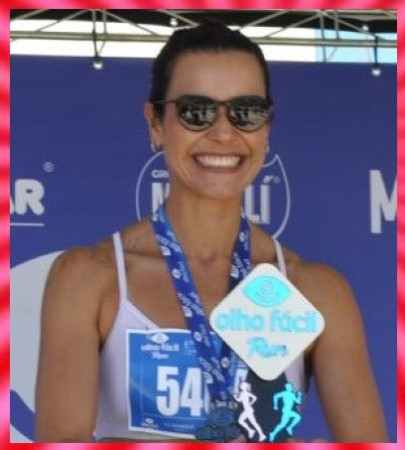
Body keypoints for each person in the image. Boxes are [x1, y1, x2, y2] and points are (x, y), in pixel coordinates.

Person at [35, 20, 387, 443]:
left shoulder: (317, 291)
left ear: (267, 127)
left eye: (246, 112)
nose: (223, 133)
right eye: (196, 111)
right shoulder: (88, 278)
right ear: (156, 123)